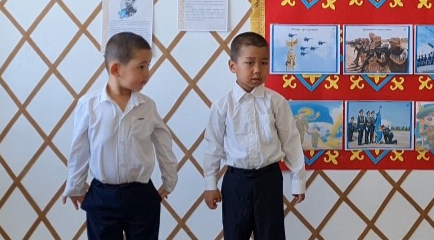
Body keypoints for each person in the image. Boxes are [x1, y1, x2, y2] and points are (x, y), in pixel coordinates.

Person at [61, 31, 178, 240]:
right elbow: (79, 150)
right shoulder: (89, 106)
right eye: (141, 66)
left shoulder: (147, 106)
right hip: (102, 196)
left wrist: (169, 180)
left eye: (148, 65)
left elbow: (163, 143)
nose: (147, 73)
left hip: (141, 194)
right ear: (116, 69)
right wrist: (75, 185)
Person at [202, 31, 306, 240]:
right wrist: (210, 185)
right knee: (235, 234)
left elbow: (291, 142)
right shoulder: (222, 106)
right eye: (249, 63)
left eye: (264, 63)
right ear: (233, 66)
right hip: (236, 182)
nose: (257, 70)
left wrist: (298, 181)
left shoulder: (276, 102)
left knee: (271, 235)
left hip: (269, 180)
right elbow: (213, 146)